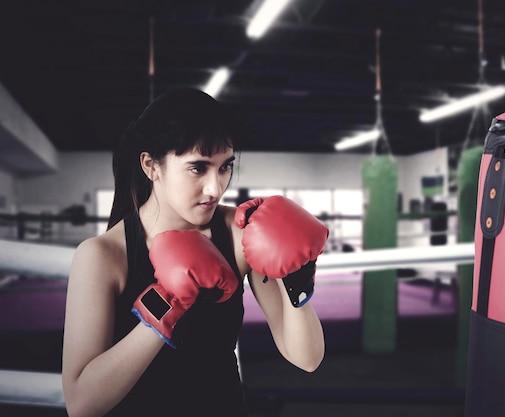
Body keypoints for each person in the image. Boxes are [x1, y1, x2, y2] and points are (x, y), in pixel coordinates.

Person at [61, 88, 327, 417]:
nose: (216, 188)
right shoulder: (103, 256)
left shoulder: (238, 232)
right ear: (151, 166)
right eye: (197, 168)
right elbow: (81, 403)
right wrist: (165, 302)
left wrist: (296, 276)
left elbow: (307, 358)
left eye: (225, 167)